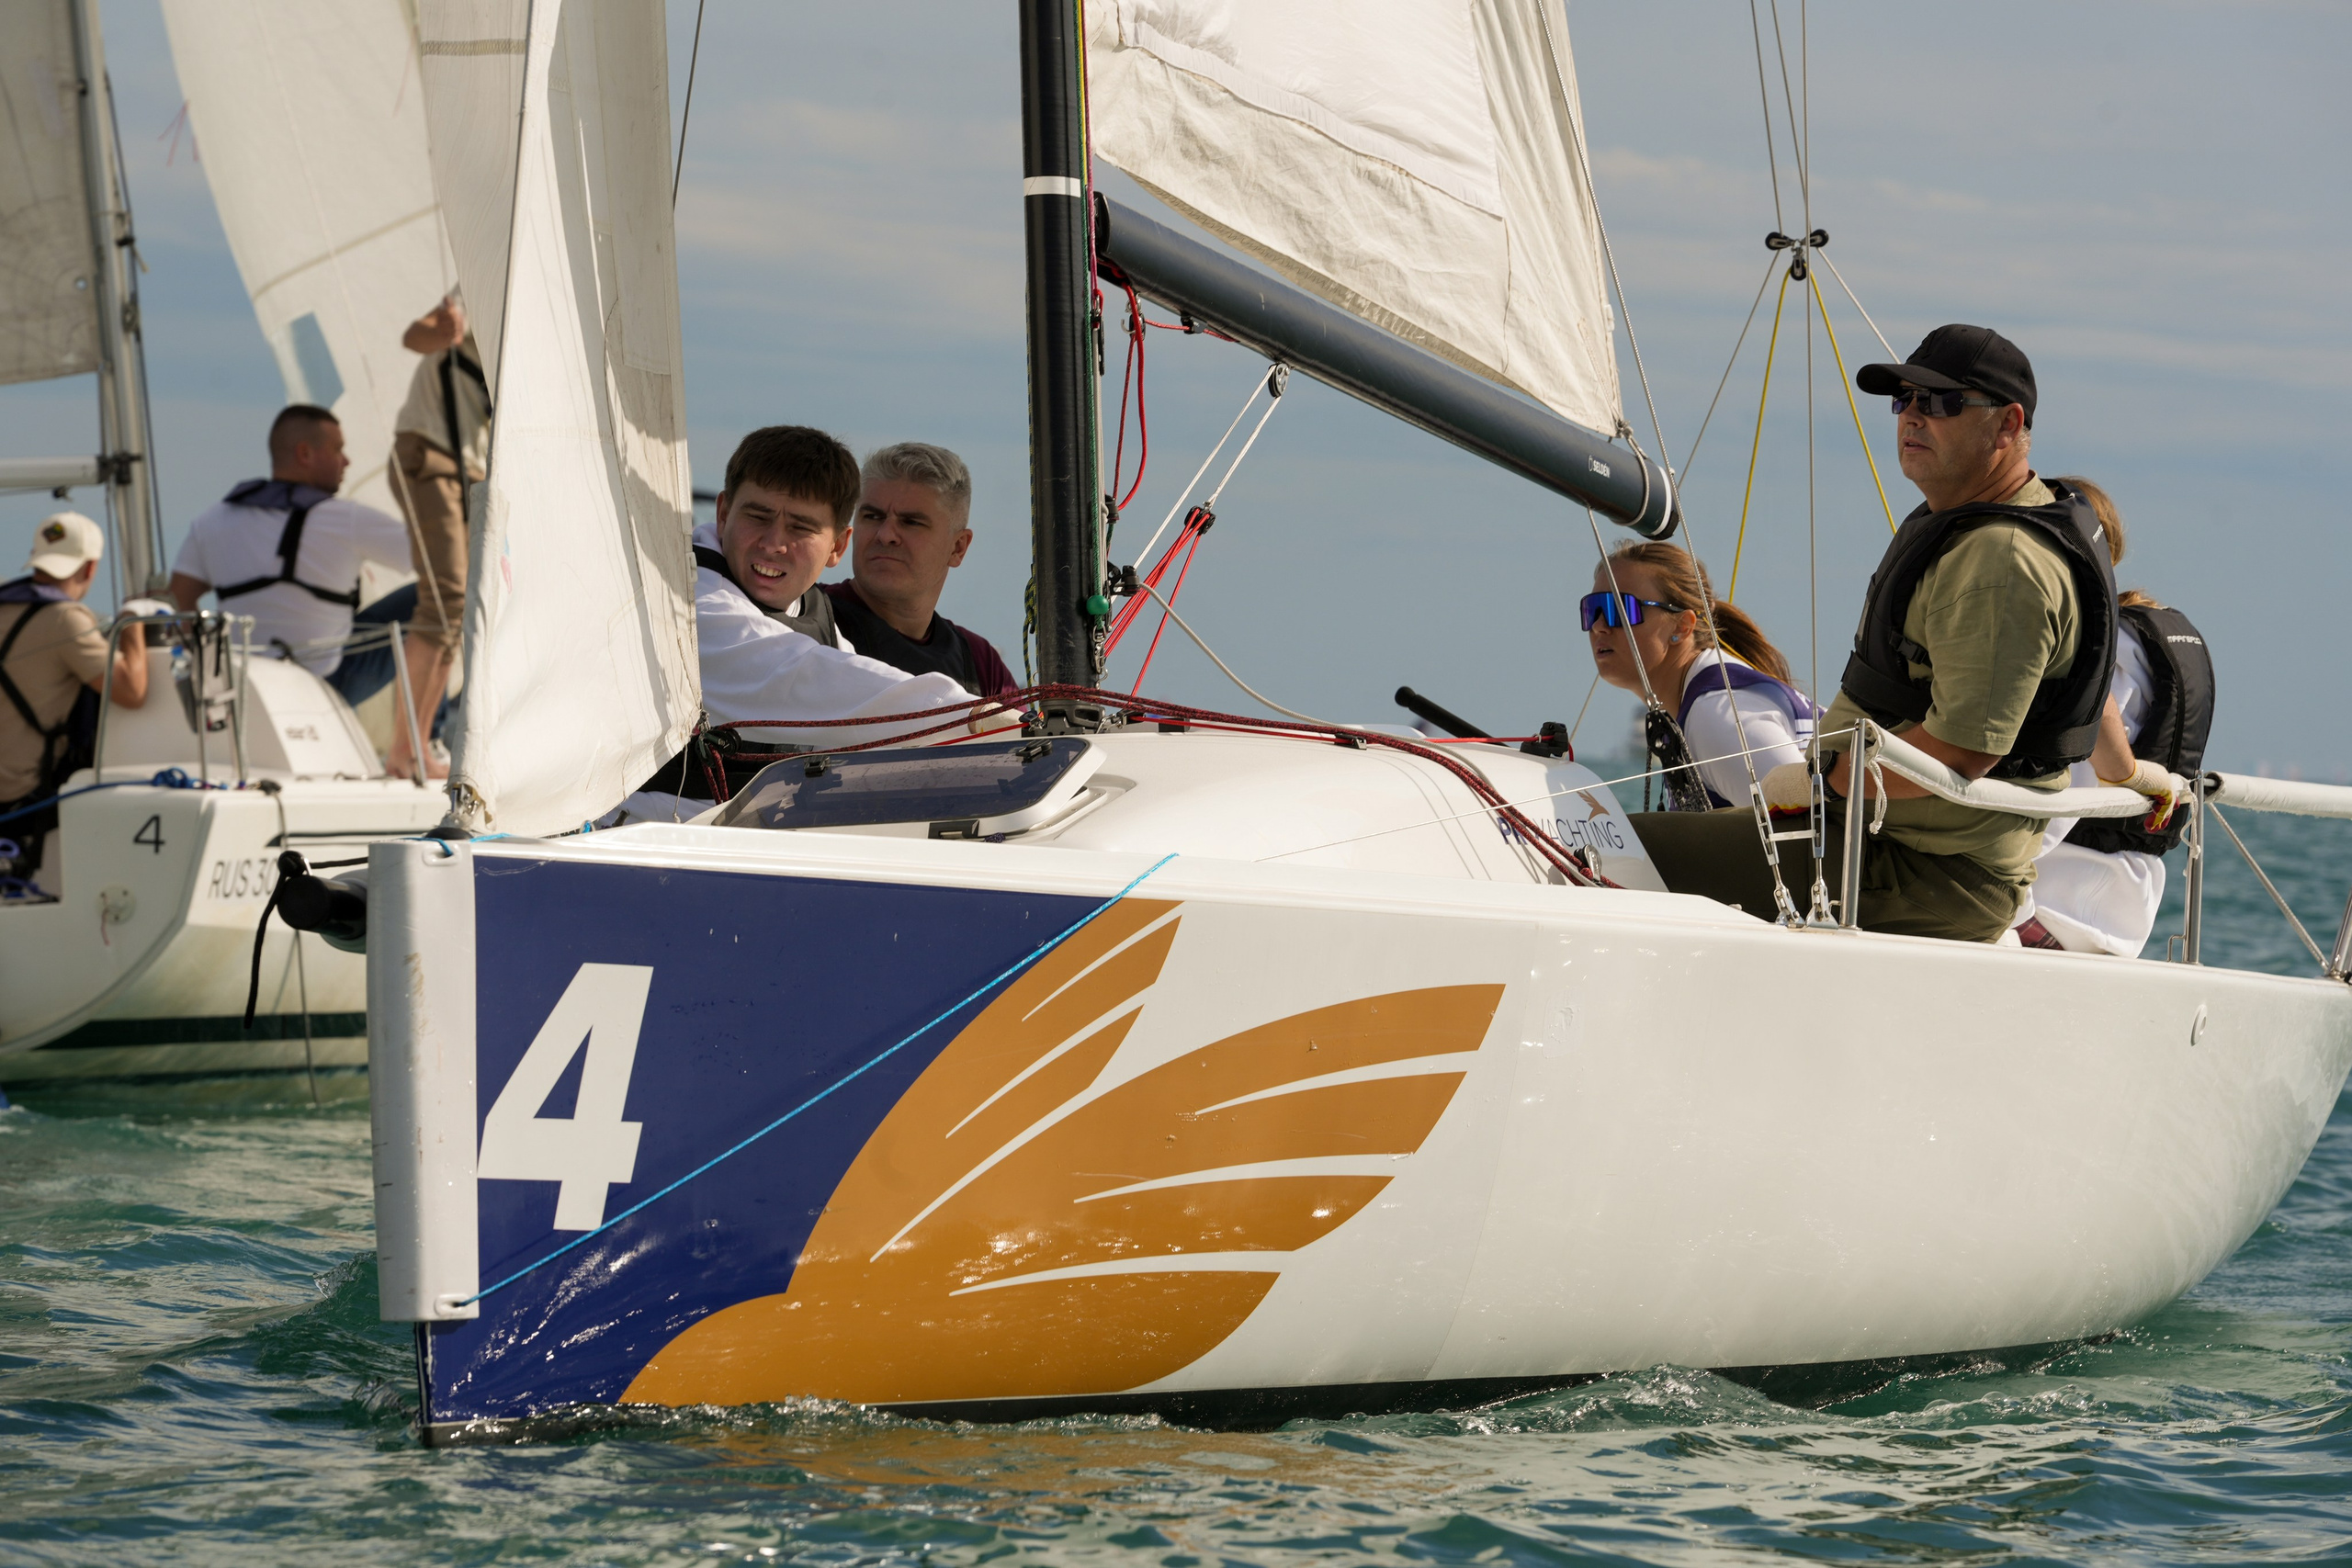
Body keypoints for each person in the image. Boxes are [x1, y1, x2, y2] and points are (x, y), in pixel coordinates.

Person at [1629, 324, 2172, 941]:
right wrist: (2128, 775)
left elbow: (1965, 749)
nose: (1913, 417)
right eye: (1903, 400)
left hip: (1923, 868)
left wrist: (1818, 785)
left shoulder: (2002, 562)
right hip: (1900, 847)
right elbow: (2083, 689)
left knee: (1619, 849)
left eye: (1940, 403)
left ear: (2007, 423)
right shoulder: (2005, 521)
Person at [641, 425, 976, 804]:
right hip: (634, 841)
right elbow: (801, 675)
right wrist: (974, 719)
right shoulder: (687, 602)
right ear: (723, 514)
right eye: (758, 516)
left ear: (837, 546)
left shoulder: (814, 614)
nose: (773, 543)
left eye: (800, 527)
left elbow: (864, 718)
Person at [2010, 478, 2211, 954]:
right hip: (2123, 903)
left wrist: (1999, 877)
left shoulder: (2105, 647)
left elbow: (2074, 771)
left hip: (2062, 902)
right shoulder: (2145, 632)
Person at [170, 405, 421, 712]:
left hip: (243, 686)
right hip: (325, 684)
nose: (346, 461)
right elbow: (443, 565)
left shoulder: (211, 521)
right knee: (436, 595)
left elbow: (177, 603)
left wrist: (210, 669)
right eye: (337, 450)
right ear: (305, 454)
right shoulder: (346, 519)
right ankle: (424, 740)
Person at [1584, 541, 1812, 810]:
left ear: (1682, 626)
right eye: (1592, 610)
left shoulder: (1716, 716)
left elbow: (1808, 825)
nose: (1598, 626)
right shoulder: (1702, 707)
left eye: (1619, 610)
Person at [2, 513, 149, 891]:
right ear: (90, 568)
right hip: (21, 801)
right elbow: (131, 691)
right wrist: (132, 623)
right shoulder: (65, 619)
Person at [385, 295, 492, 779]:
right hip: (431, 457)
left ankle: (414, 746)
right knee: (446, 599)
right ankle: (404, 750)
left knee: (457, 606)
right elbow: (414, 337)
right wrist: (446, 328)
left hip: (468, 471)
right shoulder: (485, 286)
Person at [820, 443, 1017, 699]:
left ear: (958, 548)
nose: (886, 535)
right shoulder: (805, 620)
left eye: (911, 522)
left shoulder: (980, 667)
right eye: (872, 516)